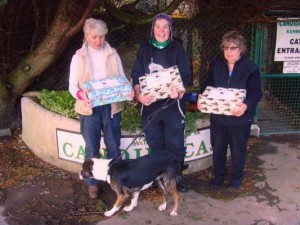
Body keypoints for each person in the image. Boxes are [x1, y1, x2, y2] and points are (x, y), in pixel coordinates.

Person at [69, 18, 132, 199]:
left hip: (111, 107)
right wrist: (82, 96)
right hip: (89, 108)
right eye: (94, 37)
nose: (98, 41)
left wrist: (127, 91)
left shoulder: (113, 53)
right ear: (86, 36)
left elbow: (121, 78)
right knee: (92, 147)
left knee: (114, 146)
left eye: (102, 37)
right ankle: (92, 184)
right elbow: (72, 86)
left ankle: (118, 180)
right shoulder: (78, 57)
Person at [130, 13, 192, 193]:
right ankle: (158, 179)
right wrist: (139, 95)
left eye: (165, 27)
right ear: (153, 29)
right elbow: (136, 75)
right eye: (158, 26)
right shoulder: (144, 49)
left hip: (173, 106)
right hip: (150, 107)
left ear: (170, 29)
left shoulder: (177, 49)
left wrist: (179, 92)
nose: (161, 30)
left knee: (175, 145)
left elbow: (186, 76)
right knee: (155, 144)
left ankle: (176, 177)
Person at [197, 30, 263, 189]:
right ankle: (219, 176)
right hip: (218, 117)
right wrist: (200, 99)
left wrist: (246, 106)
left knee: (238, 150)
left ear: (241, 49)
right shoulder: (217, 65)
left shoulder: (250, 67)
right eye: (226, 48)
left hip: (239, 118)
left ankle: (237, 177)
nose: (229, 51)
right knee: (218, 148)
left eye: (233, 48)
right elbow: (207, 86)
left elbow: (256, 92)